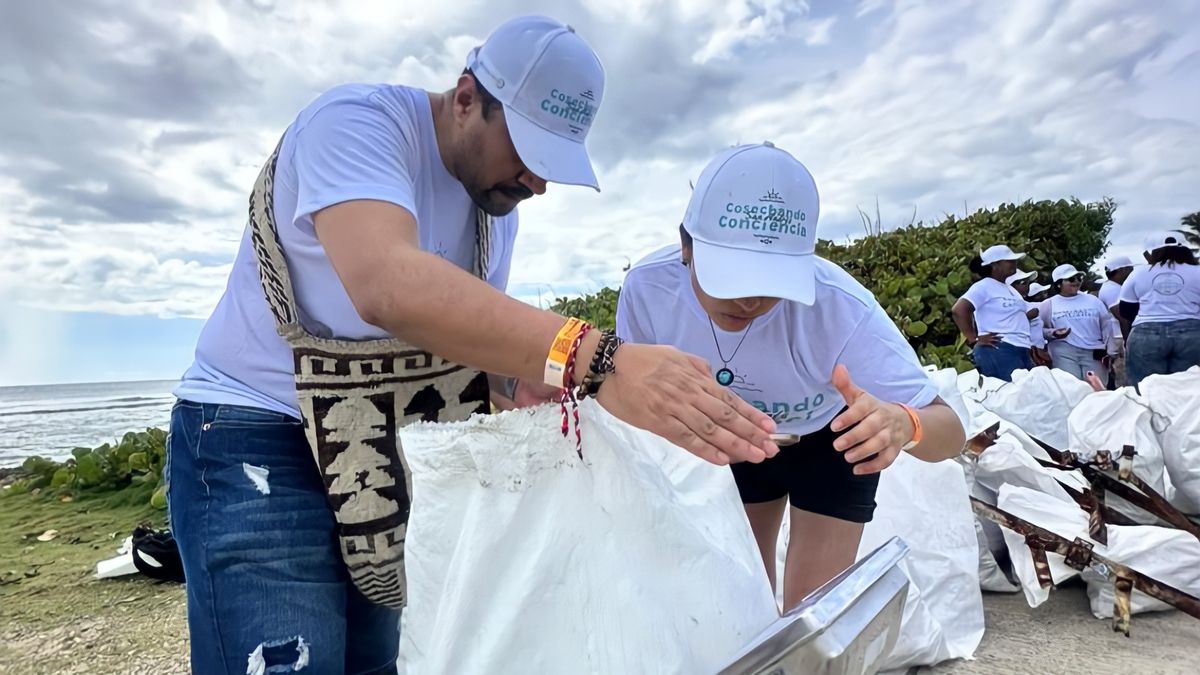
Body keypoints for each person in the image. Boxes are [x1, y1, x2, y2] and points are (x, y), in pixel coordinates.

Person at [166, 16, 779, 675]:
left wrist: (526, 386)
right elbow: (387, 284)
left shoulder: (492, 209)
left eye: (551, 165)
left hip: (377, 445)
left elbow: (463, 350)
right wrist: (601, 358)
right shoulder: (353, 124)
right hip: (255, 433)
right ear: (465, 99)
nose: (536, 183)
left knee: (380, 663)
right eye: (527, 153)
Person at [615, 142, 966, 610]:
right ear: (686, 245)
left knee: (813, 613)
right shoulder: (648, 289)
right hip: (731, 436)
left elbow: (953, 432)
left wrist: (905, 424)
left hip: (833, 442)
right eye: (732, 275)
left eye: (771, 280)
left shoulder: (840, 307)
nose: (749, 300)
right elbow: (633, 398)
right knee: (739, 599)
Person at [1119, 232, 1200, 387]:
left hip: (1147, 333)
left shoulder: (1139, 273)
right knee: (1190, 388)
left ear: (1153, 251)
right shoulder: (1197, 272)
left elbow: (1126, 311)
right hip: (1192, 334)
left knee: (1145, 389)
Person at [952, 245, 1036, 381]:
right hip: (999, 348)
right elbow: (959, 309)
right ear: (994, 265)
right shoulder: (983, 286)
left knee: (1027, 394)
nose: (1014, 263)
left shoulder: (1010, 289)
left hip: (1020, 348)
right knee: (1011, 395)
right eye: (1009, 261)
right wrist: (974, 339)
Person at [1039, 264, 1116, 382]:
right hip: (1064, 351)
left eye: (1078, 278)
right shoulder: (1048, 304)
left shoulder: (1093, 301)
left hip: (1094, 352)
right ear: (1059, 284)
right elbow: (1040, 330)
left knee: (1096, 389)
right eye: (1071, 279)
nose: (1076, 281)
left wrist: (1111, 349)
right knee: (1072, 387)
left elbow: (1106, 325)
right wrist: (1053, 333)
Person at [1099, 255, 1135, 388]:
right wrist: (1128, 340)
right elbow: (1122, 317)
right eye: (1130, 269)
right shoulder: (1112, 289)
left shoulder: (1115, 287)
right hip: (1119, 336)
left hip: (1119, 336)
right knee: (1123, 374)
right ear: (1122, 270)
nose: (1132, 273)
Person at [1006, 269, 1050, 367]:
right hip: (1018, 352)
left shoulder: (1028, 305)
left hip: (1037, 352)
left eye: (1028, 282)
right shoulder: (1004, 305)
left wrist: (1053, 333)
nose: (1027, 285)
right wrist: (1026, 317)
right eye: (1023, 282)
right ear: (1011, 287)